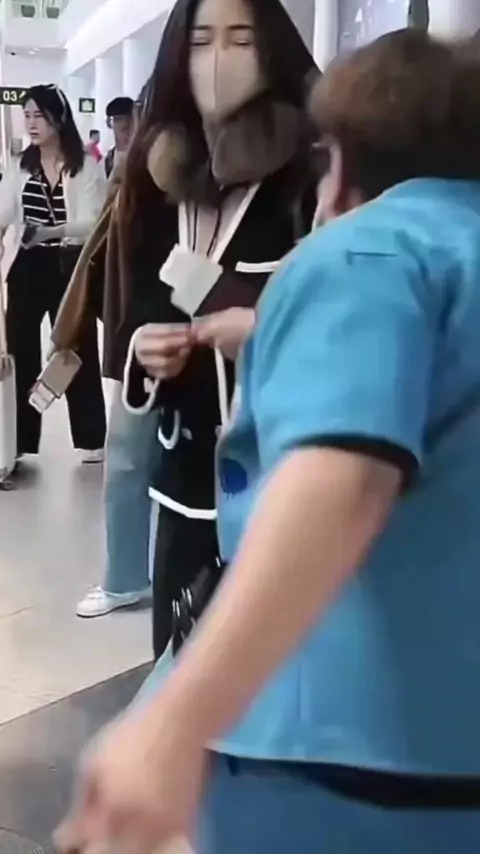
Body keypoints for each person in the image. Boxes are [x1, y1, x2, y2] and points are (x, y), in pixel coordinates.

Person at [57, 29, 480, 854]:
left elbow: (345, 478)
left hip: (326, 752)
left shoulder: (363, 251)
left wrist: (177, 723)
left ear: (340, 170)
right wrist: (262, 331)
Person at [118, 0, 318, 659]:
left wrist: (263, 331)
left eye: (240, 39)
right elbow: (137, 304)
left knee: (267, 672)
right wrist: (144, 349)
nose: (218, 61)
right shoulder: (155, 173)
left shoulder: (309, 176)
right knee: (178, 659)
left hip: (282, 478)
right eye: (202, 40)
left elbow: (347, 319)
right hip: (184, 473)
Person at [50, 79, 157, 617]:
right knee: (129, 456)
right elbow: (109, 249)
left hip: (204, 333)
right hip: (145, 330)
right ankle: (125, 577)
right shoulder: (133, 169)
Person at [0, 84, 107, 463]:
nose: (31, 124)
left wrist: (50, 232)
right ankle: (18, 441)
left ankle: (91, 438)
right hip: (28, 267)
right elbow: (4, 210)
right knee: (21, 349)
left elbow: (93, 222)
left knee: (75, 347)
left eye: (39, 116)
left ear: (58, 119)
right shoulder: (20, 165)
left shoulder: (85, 166)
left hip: (70, 266)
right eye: (27, 115)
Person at [104, 97, 135, 179]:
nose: (125, 124)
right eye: (119, 119)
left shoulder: (145, 160)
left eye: (130, 119)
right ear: (109, 123)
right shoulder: (108, 160)